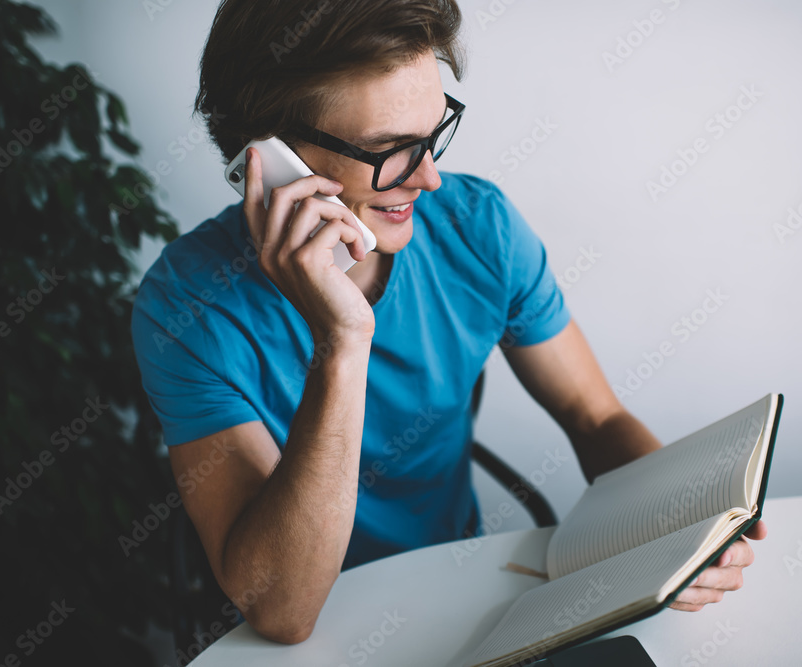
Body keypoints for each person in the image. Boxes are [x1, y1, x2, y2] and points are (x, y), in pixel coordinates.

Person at [130, 0, 765, 645]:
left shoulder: (479, 227)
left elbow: (594, 418)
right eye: (390, 150)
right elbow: (284, 611)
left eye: (433, 134)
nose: (428, 178)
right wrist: (343, 341)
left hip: (465, 597)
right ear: (268, 156)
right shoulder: (186, 308)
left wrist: (681, 533)